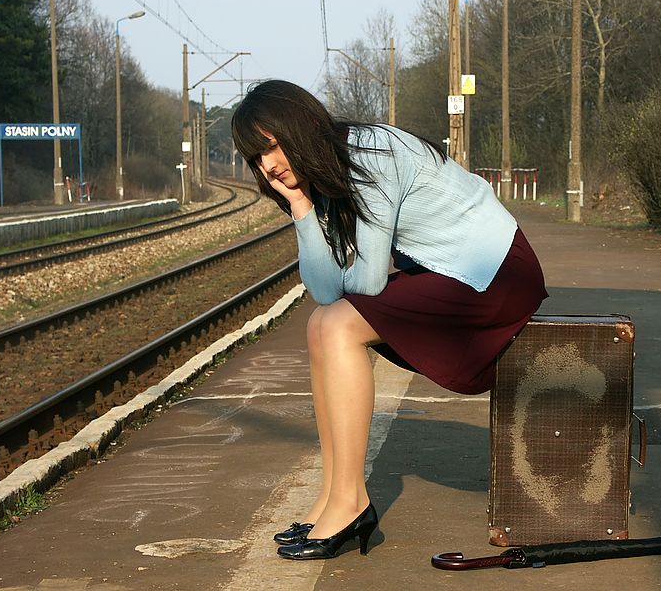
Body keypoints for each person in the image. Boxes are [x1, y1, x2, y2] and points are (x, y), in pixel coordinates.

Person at [231, 80, 548, 560]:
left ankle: (351, 501)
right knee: (323, 324)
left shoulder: (371, 155)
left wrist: (339, 275)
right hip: (452, 273)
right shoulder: (330, 176)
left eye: (272, 146)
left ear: (301, 125)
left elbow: (366, 281)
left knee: (337, 326)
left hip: (495, 273)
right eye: (257, 157)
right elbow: (323, 290)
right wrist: (300, 207)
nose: (268, 165)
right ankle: (334, 497)